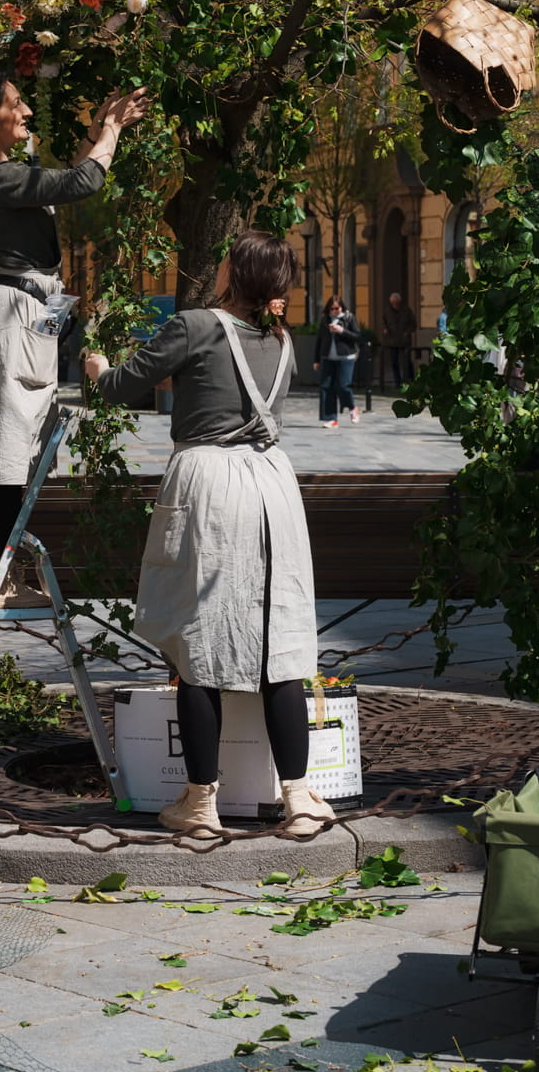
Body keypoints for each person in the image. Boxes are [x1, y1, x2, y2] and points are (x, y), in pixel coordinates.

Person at [84, 229, 333, 840]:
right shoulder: (282, 340)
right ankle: (299, 801)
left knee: (198, 645)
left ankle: (200, 805)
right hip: (273, 487)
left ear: (234, 273)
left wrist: (96, 366)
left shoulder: (194, 325)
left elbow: (120, 386)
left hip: (211, 487)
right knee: (280, 646)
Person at [0, 71, 149, 608]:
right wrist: (113, 129)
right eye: (16, 104)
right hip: (10, 315)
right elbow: (81, 183)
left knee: (14, 447)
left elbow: (63, 181)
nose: (27, 112)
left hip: (25, 312)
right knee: (5, 450)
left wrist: (97, 130)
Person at [313, 294, 360, 428]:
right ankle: (331, 419)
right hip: (328, 358)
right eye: (332, 309)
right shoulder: (325, 319)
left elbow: (357, 336)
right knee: (326, 387)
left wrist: (342, 331)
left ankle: (352, 407)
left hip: (346, 357)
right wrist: (316, 360)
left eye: (337, 308)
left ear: (342, 307)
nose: (334, 311)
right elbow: (319, 339)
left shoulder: (349, 318)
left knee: (343, 386)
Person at [382, 291, 416, 389]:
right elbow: (384, 322)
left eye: (396, 302)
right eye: (393, 303)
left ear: (399, 302)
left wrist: (407, 332)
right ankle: (398, 382)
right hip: (392, 341)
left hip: (404, 340)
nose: (395, 304)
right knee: (394, 362)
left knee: (407, 361)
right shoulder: (387, 311)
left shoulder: (406, 310)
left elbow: (413, 324)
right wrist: (385, 329)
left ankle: (411, 380)